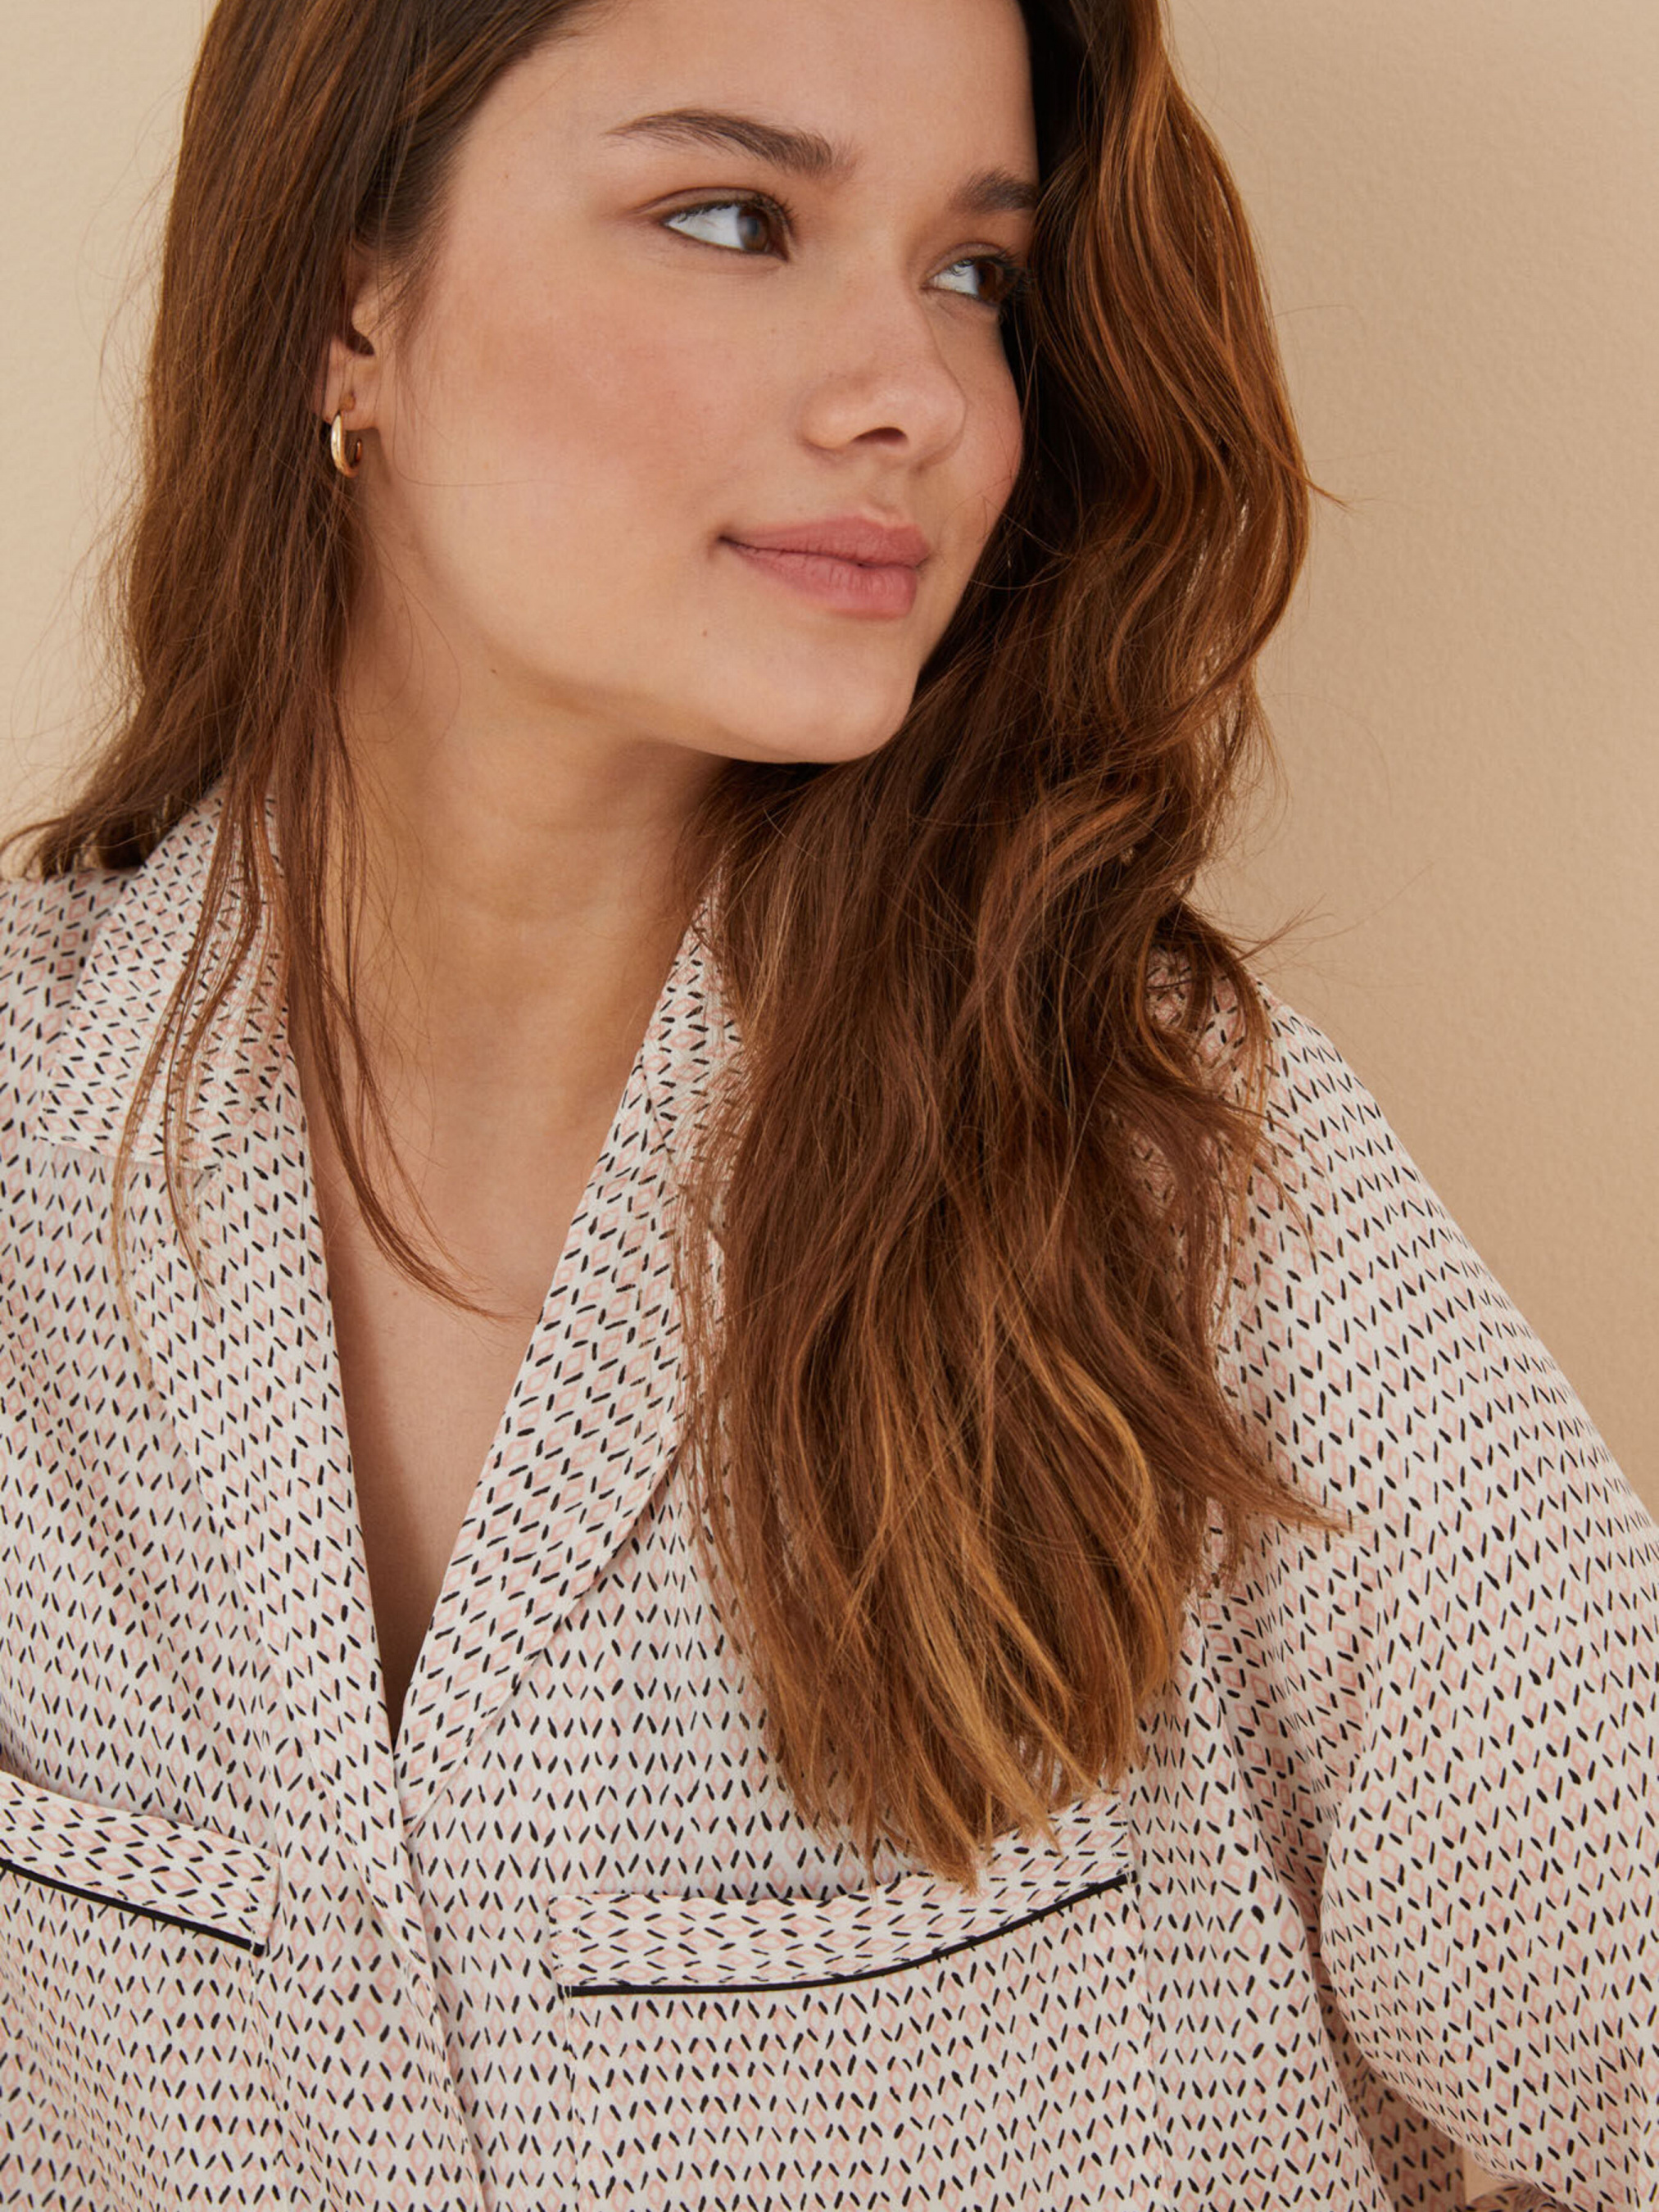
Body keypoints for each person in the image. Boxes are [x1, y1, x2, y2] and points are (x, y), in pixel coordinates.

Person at [0, 0, 1652, 2203]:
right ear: (343, 303)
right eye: (731, 218)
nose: (916, 396)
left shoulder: (1163, 1182)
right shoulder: (25, 1126)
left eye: (973, 273)